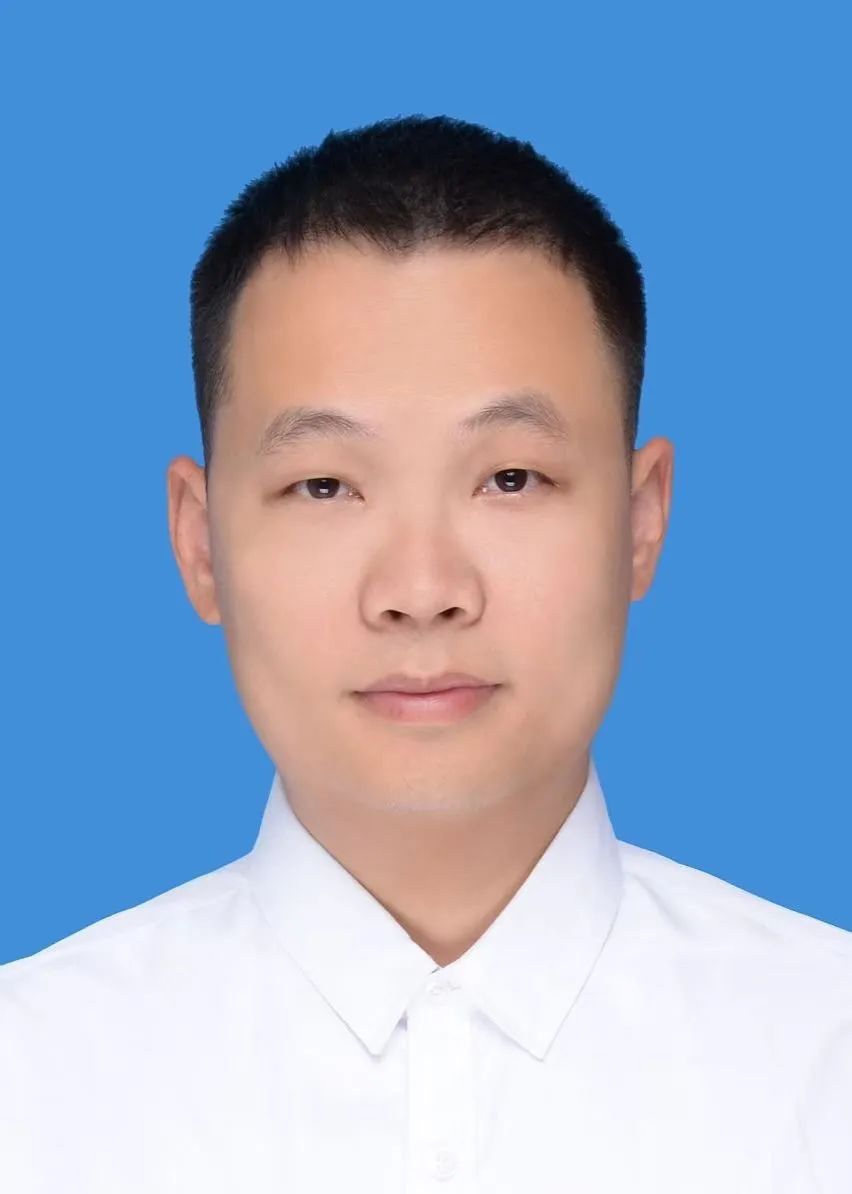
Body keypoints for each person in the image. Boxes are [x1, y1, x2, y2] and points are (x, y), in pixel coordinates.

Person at [1, 113, 849, 1193]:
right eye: (324, 485)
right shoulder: (32, 1086)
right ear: (199, 542)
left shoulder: (825, 1065)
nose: (421, 591)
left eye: (510, 479)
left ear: (641, 522)